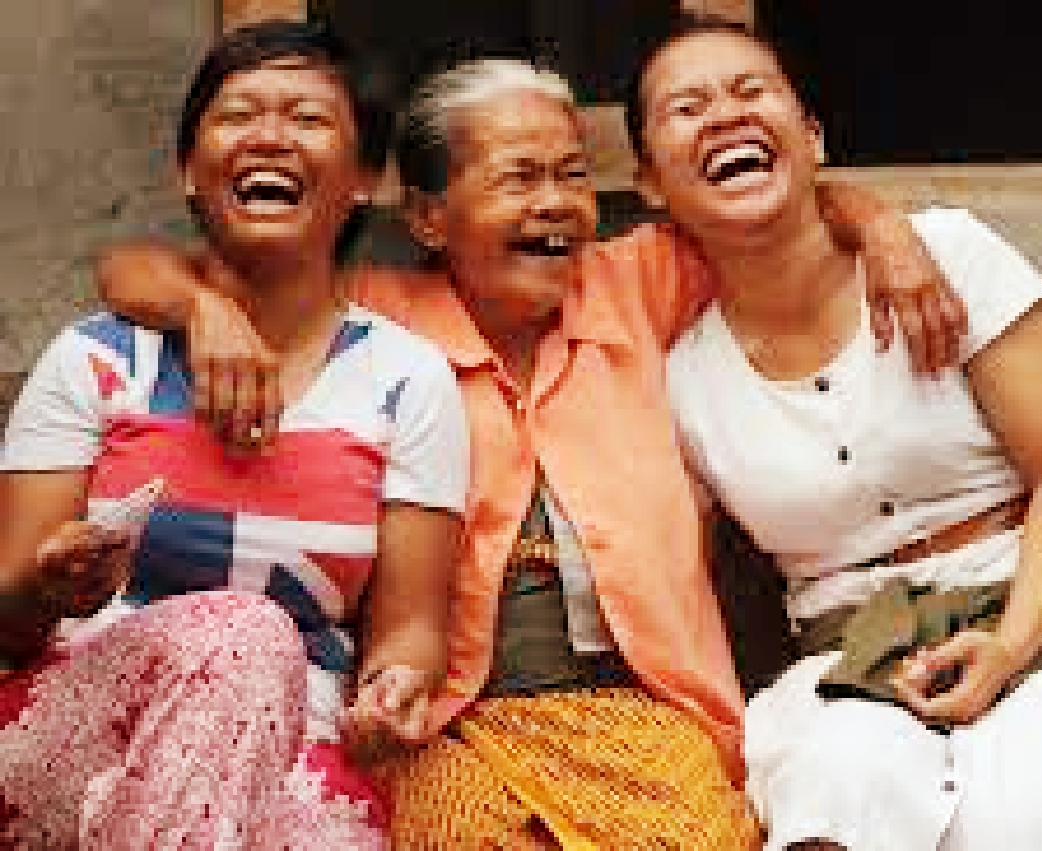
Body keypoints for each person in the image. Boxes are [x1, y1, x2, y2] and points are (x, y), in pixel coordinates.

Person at [95, 51, 963, 849]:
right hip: (450, 722)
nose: (554, 203)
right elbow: (130, 269)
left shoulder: (633, 285)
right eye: (519, 178)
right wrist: (205, 314)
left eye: (572, 175)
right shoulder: (374, 318)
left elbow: (783, 214)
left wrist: (883, 227)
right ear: (431, 216)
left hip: (645, 713)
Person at [628, 13, 1042, 851]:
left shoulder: (949, 255)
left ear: (811, 137)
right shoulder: (685, 378)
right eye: (686, 107)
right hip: (847, 657)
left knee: (1018, 809)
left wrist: (1009, 644)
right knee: (832, 793)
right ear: (649, 185)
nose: (724, 116)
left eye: (751, 91)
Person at [0, 21, 469, 848]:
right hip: (68, 729)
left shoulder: (408, 380)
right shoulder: (99, 359)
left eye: (308, 118)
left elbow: (410, 625)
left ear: (363, 179)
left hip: (299, 745)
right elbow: (5, 618)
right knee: (245, 630)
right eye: (239, 113)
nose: (269, 134)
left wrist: (397, 687)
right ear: (189, 168)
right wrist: (49, 588)